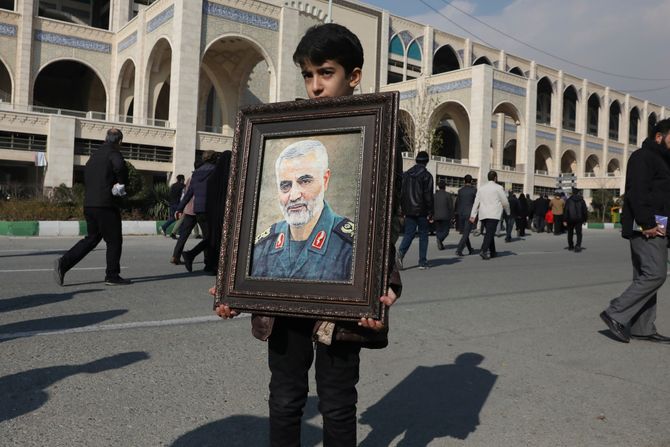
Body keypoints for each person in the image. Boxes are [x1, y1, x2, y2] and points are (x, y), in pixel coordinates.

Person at [213, 23, 402, 447]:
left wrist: (382, 285)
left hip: (341, 305)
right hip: (282, 309)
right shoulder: (280, 125)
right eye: (308, 74)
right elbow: (240, 213)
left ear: (353, 76)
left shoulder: (379, 133)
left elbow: (386, 216)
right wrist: (231, 284)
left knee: (336, 402)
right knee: (284, 398)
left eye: (326, 73)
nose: (316, 86)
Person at [600, 119, 670, 344]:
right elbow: (637, 192)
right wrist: (647, 223)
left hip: (658, 226)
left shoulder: (662, 161)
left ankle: (642, 327)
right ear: (659, 136)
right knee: (655, 274)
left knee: (644, 275)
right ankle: (615, 313)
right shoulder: (643, 157)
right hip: (647, 227)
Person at [251, 140, 353, 280]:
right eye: (285, 185)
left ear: (325, 180)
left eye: (305, 181)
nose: (294, 196)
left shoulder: (350, 248)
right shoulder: (262, 247)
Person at [53, 128, 130, 286]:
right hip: (105, 204)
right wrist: (121, 183)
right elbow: (120, 166)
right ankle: (112, 275)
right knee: (114, 240)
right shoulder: (113, 152)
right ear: (119, 141)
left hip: (89, 204)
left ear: (105, 138)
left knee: (92, 238)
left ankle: (64, 263)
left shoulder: (93, 156)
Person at [176, 150, 218, 272]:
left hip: (198, 209)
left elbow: (189, 193)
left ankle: (207, 263)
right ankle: (196, 258)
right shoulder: (215, 171)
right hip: (211, 209)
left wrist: (180, 208)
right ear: (214, 159)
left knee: (209, 237)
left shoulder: (196, 174)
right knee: (211, 238)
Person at [398, 150, 434, 269]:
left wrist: (402, 209)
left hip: (409, 209)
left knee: (409, 233)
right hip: (422, 210)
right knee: (424, 235)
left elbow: (402, 193)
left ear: (416, 160)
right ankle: (422, 262)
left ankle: (401, 253)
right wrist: (431, 212)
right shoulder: (427, 176)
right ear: (427, 162)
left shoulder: (406, 174)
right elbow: (428, 195)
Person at [469, 170, 509, 260]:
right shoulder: (499, 188)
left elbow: (476, 203)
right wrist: (508, 212)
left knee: (489, 232)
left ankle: (493, 252)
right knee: (489, 233)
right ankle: (483, 250)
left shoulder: (481, 188)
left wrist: (473, 215)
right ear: (495, 178)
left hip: (483, 215)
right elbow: (505, 202)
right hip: (493, 214)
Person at [455, 174, 476, 256]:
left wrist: (456, 213)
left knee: (465, 232)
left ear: (464, 181)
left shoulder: (460, 191)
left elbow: (457, 202)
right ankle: (459, 250)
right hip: (470, 214)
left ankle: (470, 249)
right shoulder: (474, 190)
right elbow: (476, 202)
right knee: (466, 233)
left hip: (461, 214)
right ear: (471, 181)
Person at [432, 179, 453, 250]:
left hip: (436, 216)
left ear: (438, 186)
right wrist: (452, 216)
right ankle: (440, 240)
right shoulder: (448, 195)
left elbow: (431, 206)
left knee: (438, 230)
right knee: (446, 231)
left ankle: (440, 243)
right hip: (445, 216)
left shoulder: (434, 195)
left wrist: (431, 215)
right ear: (445, 186)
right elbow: (450, 207)